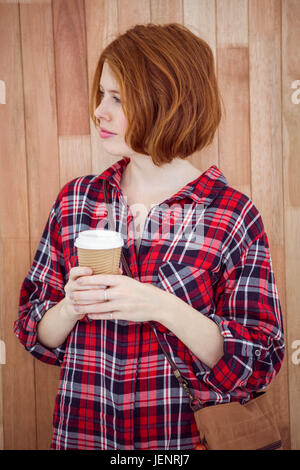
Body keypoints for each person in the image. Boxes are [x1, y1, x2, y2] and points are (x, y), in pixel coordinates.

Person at [14, 23, 285, 450]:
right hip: (84, 438)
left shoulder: (231, 215)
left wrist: (159, 306)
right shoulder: (75, 201)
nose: (99, 111)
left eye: (118, 98)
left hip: (180, 443)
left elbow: (259, 361)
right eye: (101, 94)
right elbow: (35, 333)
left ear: (167, 103)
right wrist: (70, 306)